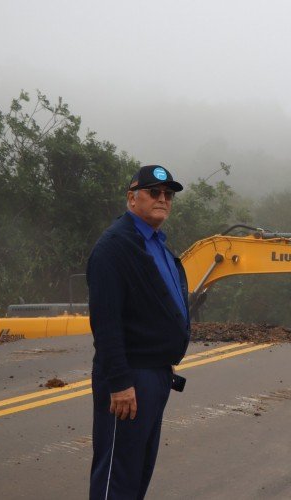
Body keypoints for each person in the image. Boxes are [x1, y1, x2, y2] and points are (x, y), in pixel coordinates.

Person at [87, 164, 190, 499]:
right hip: (129, 377)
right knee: (117, 473)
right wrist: (119, 383)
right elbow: (106, 323)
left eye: (168, 194)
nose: (163, 199)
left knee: (139, 468)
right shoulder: (115, 247)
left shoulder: (156, 244)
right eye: (154, 192)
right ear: (132, 199)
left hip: (156, 375)